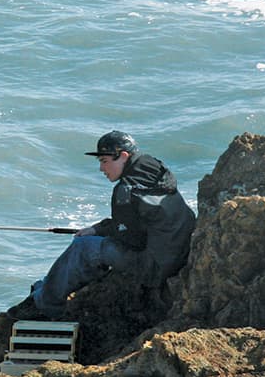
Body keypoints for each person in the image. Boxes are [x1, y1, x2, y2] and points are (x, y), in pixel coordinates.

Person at [16, 131, 196, 320]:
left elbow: (131, 240)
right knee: (95, 241)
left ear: (124, 156)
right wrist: (97, 229)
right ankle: (47, 287)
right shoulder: (154, 169)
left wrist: (100, 235)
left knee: (83, 247)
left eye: (104, 161)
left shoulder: (125, 191)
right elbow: (136, 223)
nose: (102, 168)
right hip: (181, 253)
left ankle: (45, 304)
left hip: (156, 269)